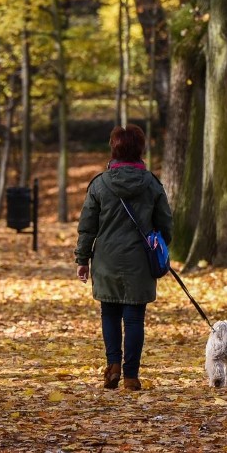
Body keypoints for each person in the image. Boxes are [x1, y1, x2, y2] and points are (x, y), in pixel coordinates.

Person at [74, 125, 173, 391]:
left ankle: (113, 365)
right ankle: (131, 376)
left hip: (106, 259)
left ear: (114, 149)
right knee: (134, 319)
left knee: (109, 313)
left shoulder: (99, 184)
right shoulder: (151, 183)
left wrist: (82, 259)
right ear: (140, 149)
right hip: (140, 261)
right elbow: (166, 224)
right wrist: (162, 248)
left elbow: (87, 227)